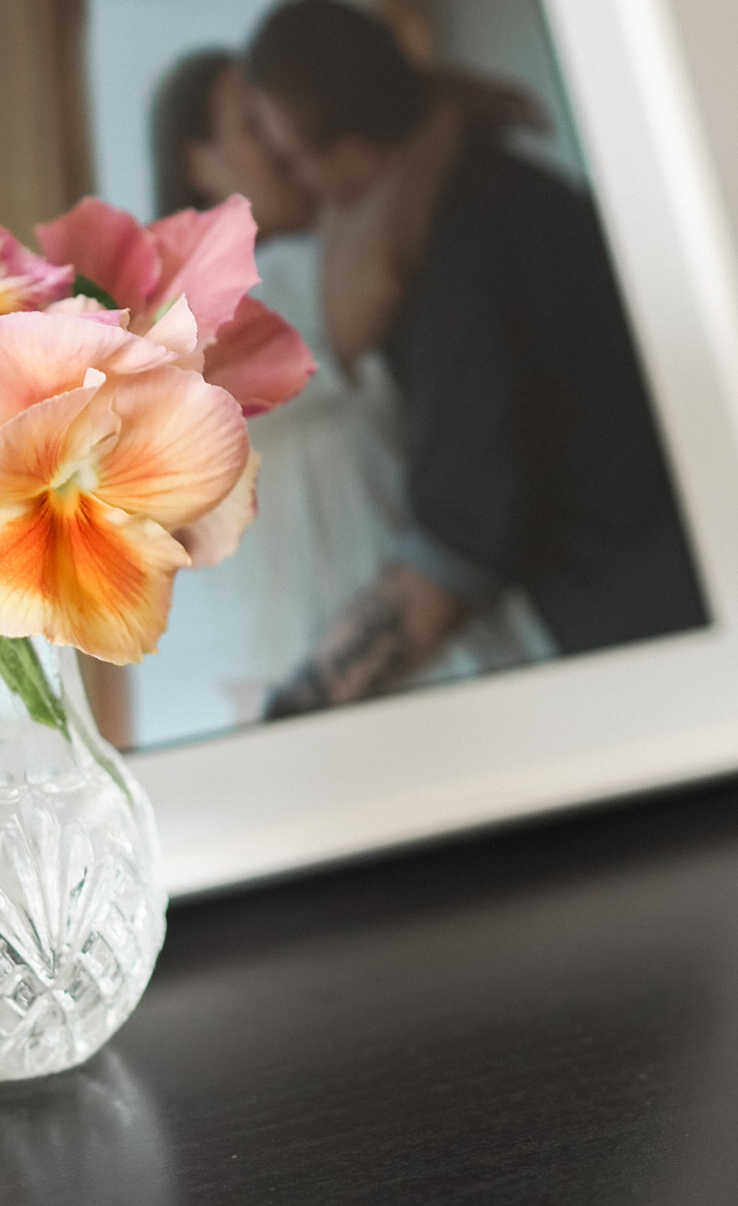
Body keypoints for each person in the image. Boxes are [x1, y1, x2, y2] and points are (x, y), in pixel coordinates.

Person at [244, 0, 706, 717]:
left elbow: (458, 548)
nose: (304, 188)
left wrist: (294, 717)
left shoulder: (454, 260)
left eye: (294, 161)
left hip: (649, 637)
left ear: (351, 151)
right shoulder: (525, 192)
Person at [146, 46, 554, 726]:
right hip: (404, 700)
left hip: (403, 692)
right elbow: (378, 273)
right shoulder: (223, 304)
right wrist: (436, 127)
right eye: (251, 121)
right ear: (200, 164)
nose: (280, 137)